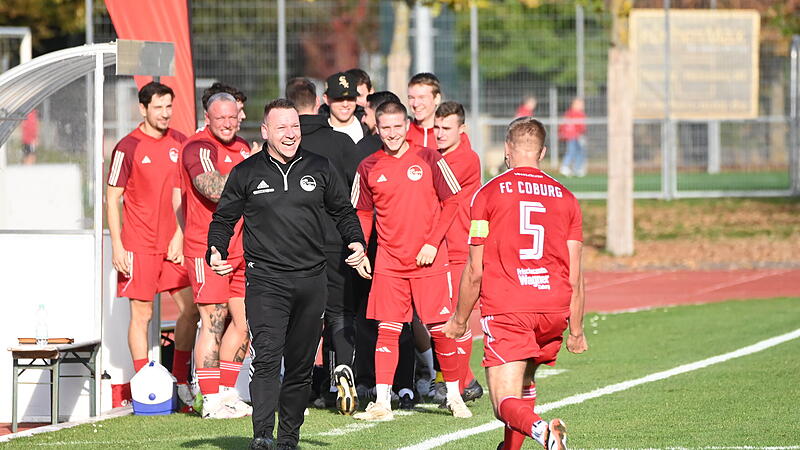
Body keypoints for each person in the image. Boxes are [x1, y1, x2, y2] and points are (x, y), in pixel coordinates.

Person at [206, 98, 367, 450]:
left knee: (299, 365)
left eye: (294, 127)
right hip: (265, 282)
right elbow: (223, 219)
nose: (290, 134)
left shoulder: (319, 167)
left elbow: (343, 211)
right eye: (281, 128)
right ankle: (263, 435)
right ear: (265, 132)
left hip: (312, 281)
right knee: (267, 357)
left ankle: (288, 438)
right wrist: (215, 248)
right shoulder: (247, 173)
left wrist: (356, 242)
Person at [443, 117, 588, 450]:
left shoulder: (488, 193)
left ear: (508, 149)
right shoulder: (567, 198)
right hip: (552, 307)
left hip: (510, 305)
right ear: (543, 151)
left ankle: (543, 433)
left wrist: (459, 319)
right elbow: (576, 274)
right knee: (525, 382)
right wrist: (576, 330)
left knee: (502, 403)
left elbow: (474, 270)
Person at [351, 100, 472, 421]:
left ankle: (455, 395)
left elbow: (453, 201)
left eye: (397, 127)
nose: (391, 133)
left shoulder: (430, 158)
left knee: (442, 330)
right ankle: (382, 402)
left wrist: (433, 244)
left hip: (429, 262)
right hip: (389, 263)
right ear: (377, 128)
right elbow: (362, 212)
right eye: (385, 127)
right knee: (387, 330)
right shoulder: (368, 166)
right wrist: (361, 248)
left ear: (407, 127)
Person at [106, 82, 199, 405]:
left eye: (169, 107)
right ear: (143, 108)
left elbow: (188, 195)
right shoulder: (127, 147)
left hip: (173, 245)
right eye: (158, 107)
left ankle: (181, 380)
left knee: (192, 310)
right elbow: (112, 198)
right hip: (138, 245)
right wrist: (118, 246)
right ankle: (145, 385)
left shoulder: (181, 143)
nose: (165, 113)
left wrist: (180, 234)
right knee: (142, 316)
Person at [285, 77, 362, 415]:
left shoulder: (284, 143)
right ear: (319, 102)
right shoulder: (342, 142)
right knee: (339, 313)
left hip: (292, 242)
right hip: (335, 240)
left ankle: (299, 385)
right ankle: (338, 375)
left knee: (298, 317)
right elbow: (356, 192)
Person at [178, 92, 252, 419]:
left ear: (240, 116)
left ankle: (227, 393)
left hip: (242, 249)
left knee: (245, 322)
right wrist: (255, 185)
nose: (226, 123)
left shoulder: (244, 149)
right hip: (208, 250)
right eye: (219, 117)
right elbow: (213, 187)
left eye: (231, 117)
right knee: (214, 321)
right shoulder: (198, 147)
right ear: (207, 118)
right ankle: (209, 400)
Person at [433, 101, 484, 404]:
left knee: (454, 318)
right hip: (441, 248)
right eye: (436, 128)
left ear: (462, 129)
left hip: (456, 249)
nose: (439, 133)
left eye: (446, 128)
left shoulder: (464, 159)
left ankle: (459, 383)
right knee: (434, 320)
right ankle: (464, 380)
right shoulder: (442, 155)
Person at [323, 71, 369, 144]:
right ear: (326, 99)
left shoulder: (369, 126)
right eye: (339, 99)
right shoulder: (318, 131)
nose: (345, 104)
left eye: (350, 98)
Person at [406, 72, 442, 149]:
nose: (415, 104)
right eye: (411, 98)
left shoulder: (450, 135)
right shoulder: (402, 134)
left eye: (422, 97)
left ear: (436, 99)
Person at [558, 97, 587, 177]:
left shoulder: (577, 113)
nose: (582, 105)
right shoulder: (572, 113)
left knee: (580, 152)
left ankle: (576, 168)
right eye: (580, 104)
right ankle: (565, 166)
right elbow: (578, 126)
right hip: (572, 136)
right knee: (571, 151)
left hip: (577, 136)